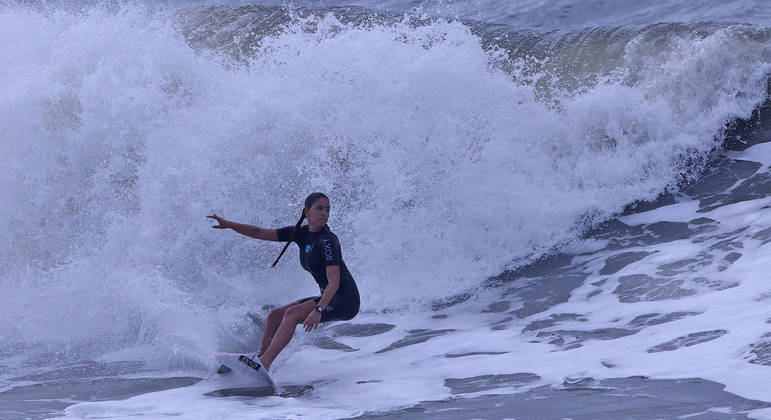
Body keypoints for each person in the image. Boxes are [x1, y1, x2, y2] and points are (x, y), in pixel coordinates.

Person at [207, 192, 360, 372]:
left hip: (345, 300)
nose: (324, 213)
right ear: (307, 212)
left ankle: (265, 363)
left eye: (328, 209)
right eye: (319, 208)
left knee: (292, 314)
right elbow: (259, 232)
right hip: (329, 297)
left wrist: (319, 310)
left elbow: (334, 283)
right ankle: (260, 361)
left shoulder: (327, 241)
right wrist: (230, 225)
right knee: (275, 315)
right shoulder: (301, 234)